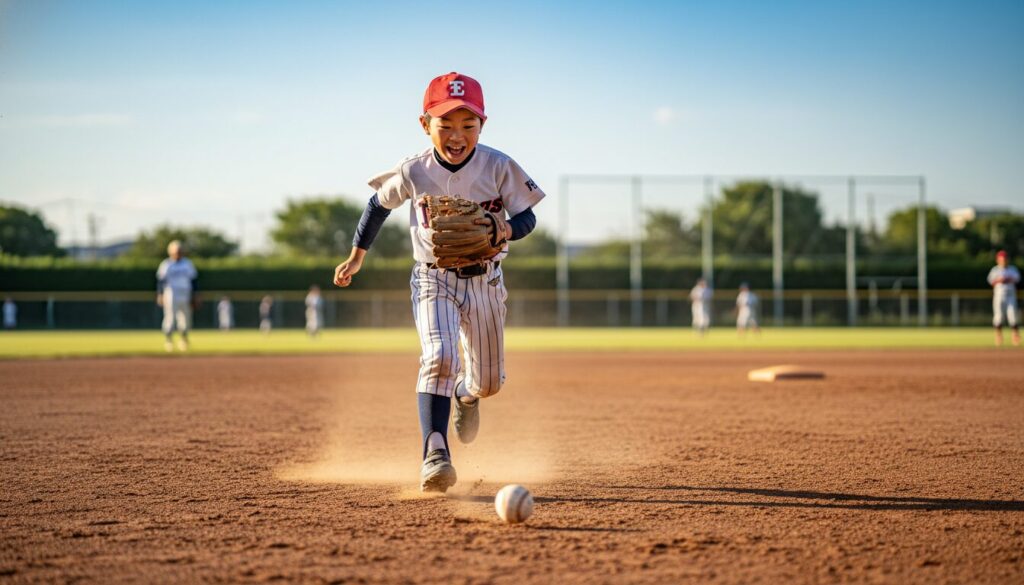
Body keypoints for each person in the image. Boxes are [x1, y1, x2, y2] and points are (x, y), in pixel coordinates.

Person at [332, 72, 545, 493]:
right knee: (440, 355)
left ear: (483, 125)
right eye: (445, 124)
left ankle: (466, 395)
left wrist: (505, 229)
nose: (456, 135)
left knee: (488, 383)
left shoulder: (498, 166)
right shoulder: (414, 170)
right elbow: (377, 205)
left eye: (468, 124)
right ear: (424, 124)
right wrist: (356, 257)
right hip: (433, 278)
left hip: (485, 280)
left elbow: (527, 216)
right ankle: (435, 453)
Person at [156, 240, 198, 352]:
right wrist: (160, 294)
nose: (178, 253)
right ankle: (169, 340)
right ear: (171, 252)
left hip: (185, 293)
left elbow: (194, 281)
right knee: (170, 317)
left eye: (180, 251)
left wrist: (195, 295)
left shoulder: (187, 264)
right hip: (171, 293)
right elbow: (161, 281)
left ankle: (184, 340)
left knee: (185, 318)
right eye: (176, 251)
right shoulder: (166, 264)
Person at [988, 249, 1020, 347]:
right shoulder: (995, 270)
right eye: (1001, 259)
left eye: (1005, 259)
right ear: (998, 260)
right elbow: (990, 281)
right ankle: (998, 336)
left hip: (1010, 295)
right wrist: (999, 280)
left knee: (1012, 315)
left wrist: (1008, 279)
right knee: (998, 316)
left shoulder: (1012, 269)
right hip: (999, 296)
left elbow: (1017, 279)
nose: (1003, 261)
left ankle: (1015, 335)